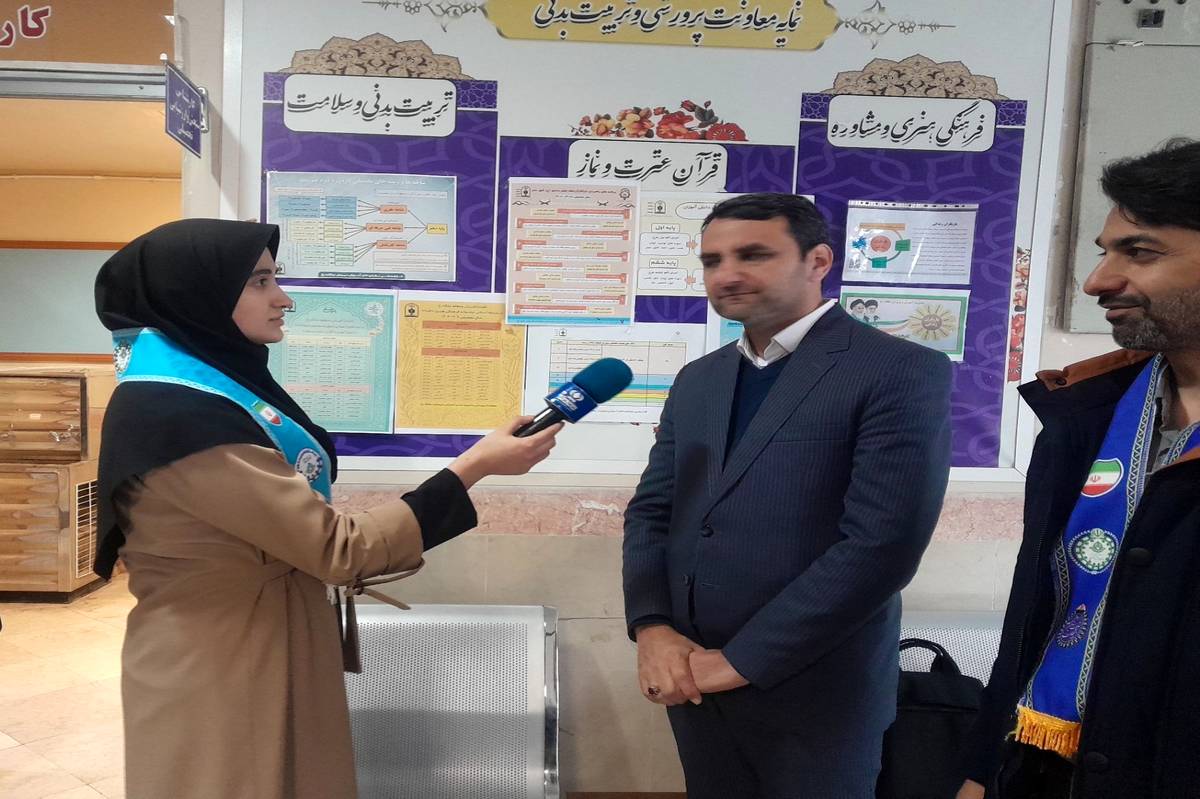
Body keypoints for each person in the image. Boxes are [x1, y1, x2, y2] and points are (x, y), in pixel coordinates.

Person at [93, 219, 561, 799]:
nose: (283, 299)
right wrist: (475, 466)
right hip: (221, 664)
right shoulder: (179, 418)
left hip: (259, 639)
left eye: (275, 278)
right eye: (260, 282)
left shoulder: (202, 399)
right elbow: (339, 549)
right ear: (197, 295)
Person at [622, 193, 953, 798]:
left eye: (753, 255)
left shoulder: (898, 369)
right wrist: (652, 627)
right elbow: (653, 512)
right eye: (712, 260)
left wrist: (740, 662)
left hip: (817, 691)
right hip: (692, 676)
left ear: (818, 261)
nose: (727, 274)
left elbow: (882, 545)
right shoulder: (699, 379)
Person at [957, 139, 1200, 799]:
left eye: (1139, 252)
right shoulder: (1084, 416)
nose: (1097, 281)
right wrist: (983, 770)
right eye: (1104, 251)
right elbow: (1035, 614)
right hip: (1049, 767)